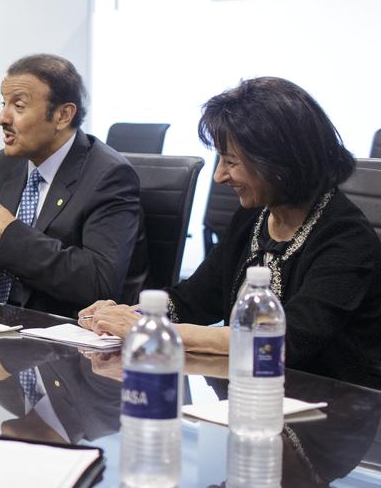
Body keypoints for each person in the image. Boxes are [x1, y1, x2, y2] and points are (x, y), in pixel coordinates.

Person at [81, 77, 381, 389]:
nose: (220, 176)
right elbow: (192, 301)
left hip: (332, 412)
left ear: (280, 162)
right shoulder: (253, 217)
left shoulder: (346, 237)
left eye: (231, 162)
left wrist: (151, 330)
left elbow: (286, 341)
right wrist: (125, 315)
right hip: (252, 397)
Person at [0, 53, 146, 318]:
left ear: (62, 115)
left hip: (58, 340)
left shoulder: (109, 176)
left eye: (19, 106)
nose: (2, 117)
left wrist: (9, 230)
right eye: (4, 104)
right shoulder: (2, 164)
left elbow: (98, 282)